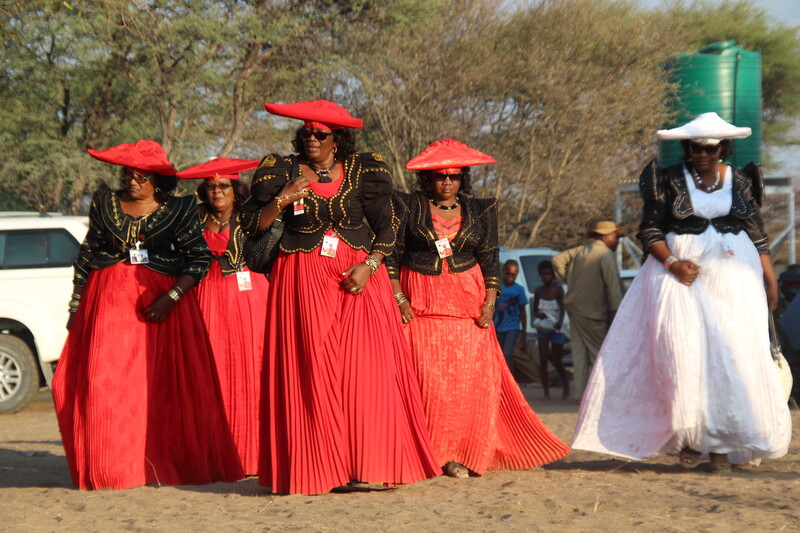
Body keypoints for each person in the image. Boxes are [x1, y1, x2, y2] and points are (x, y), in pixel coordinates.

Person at [241, 100, 440, 495]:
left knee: (365, 371)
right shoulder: (281, 170)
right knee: (312, 370)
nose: (311, 139)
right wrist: (282, 198)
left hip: (359, 275)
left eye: (320, 134)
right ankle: (318, 468)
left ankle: (368, 465)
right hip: (301, 275)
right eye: (306, 134)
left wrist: (371, 264)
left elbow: (389, 225)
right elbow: (251, 225)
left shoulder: (365, 170)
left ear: (338, 139)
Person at [573, 112, 792, 472]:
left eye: (709, 147)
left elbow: (757, 234)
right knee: (685, 354)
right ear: (687, 147)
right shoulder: (668, 180)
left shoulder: (740, 181)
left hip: (736, 279)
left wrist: (769, 280)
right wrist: (673, 263)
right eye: (695, 147)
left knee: (730, 356)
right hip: (680, 279)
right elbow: (649, 231)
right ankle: (691, 439)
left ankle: (720, 447)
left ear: (723, 148)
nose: (701, 154)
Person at [52, 140, 244, 490]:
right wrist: (75, 306)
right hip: (107, 304)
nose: (133, 182)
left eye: (142, 177)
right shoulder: (105, 203)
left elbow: (198, 259)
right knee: (106, 386)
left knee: (158, 389)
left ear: (158, 180)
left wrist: (171, 297)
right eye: (128, 174)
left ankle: (157, 465)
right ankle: (112, 468)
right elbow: (87, 254)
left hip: (162, 309)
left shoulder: (180, 209)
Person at [388, 138, 570, 480]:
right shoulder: (407, 206)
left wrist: (490, 302)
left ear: (463, 178)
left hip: (467, 310)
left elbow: (490, 259)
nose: (447, 182)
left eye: (454, 176)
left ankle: (460, 453)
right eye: (440, 176)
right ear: (427, 178)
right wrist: (398, 298)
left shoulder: (481, 209)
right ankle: (428, 453)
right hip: (421, 311)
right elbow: (393, 257)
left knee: (468, 384)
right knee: (428, 385)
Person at [177, 157, 270, 476]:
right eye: (211, 186)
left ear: (235, 188)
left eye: (223, 186)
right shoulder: (194, 216)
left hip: (247, 299)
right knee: (211, 371)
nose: (217, 191)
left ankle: (252, 455)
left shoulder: (251, 216)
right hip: (205, 297)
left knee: (249, 370)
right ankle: (214, 454)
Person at [551, 220, 623, 402]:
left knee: (579, 352)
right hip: (593, 312)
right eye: (615, 236)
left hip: (574, 307)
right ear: (606, 236)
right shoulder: (605, 254)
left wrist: (569, 280)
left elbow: (556, 259)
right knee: (601, 354)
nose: (617, 240)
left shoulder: (581, 250)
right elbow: (612, 287)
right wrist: (617, 312)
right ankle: (605, 396)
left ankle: (580, 395)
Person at [533, 260, 569, 400]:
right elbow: (535, 310)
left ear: (553, 275)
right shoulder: (539, 291)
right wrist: (539, 315)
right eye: (542, 275)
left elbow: (563, 308)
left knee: (557, 360)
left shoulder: (558, 290)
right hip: (543, 329)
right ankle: (546, 391)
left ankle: (566, 385)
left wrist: (559, 322)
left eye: (547, 274)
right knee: (542, 359)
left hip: (556, 329)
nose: (545, 277)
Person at [493, 259, 528, 373]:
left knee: (507, 354)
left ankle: (510, 381)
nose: (510, 277)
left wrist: (523, 333)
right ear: (503, 271)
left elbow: (523, 312)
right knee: (498, 355)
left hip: (512, 327)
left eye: (514, 275)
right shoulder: (497, 287)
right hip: (498, 326)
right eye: (508, 273)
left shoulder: (519, 290)